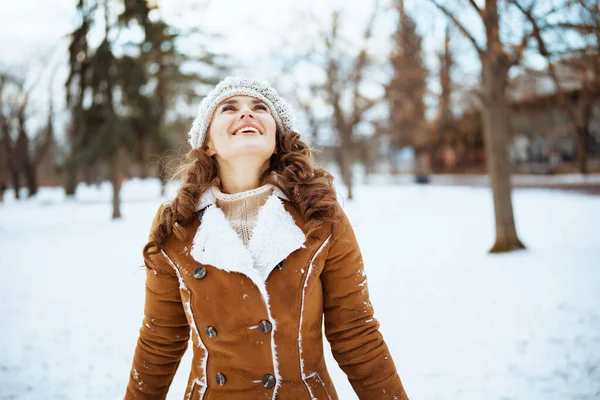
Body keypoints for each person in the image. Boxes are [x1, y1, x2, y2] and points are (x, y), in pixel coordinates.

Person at [124, 76, 408, 400]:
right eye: (229, 108)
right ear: (208, 144)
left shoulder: (319, 215)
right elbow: (158, 342)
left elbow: (356, 333)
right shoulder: (176, 225)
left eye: (260, 108)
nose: (247, 114)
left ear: (276, 138)